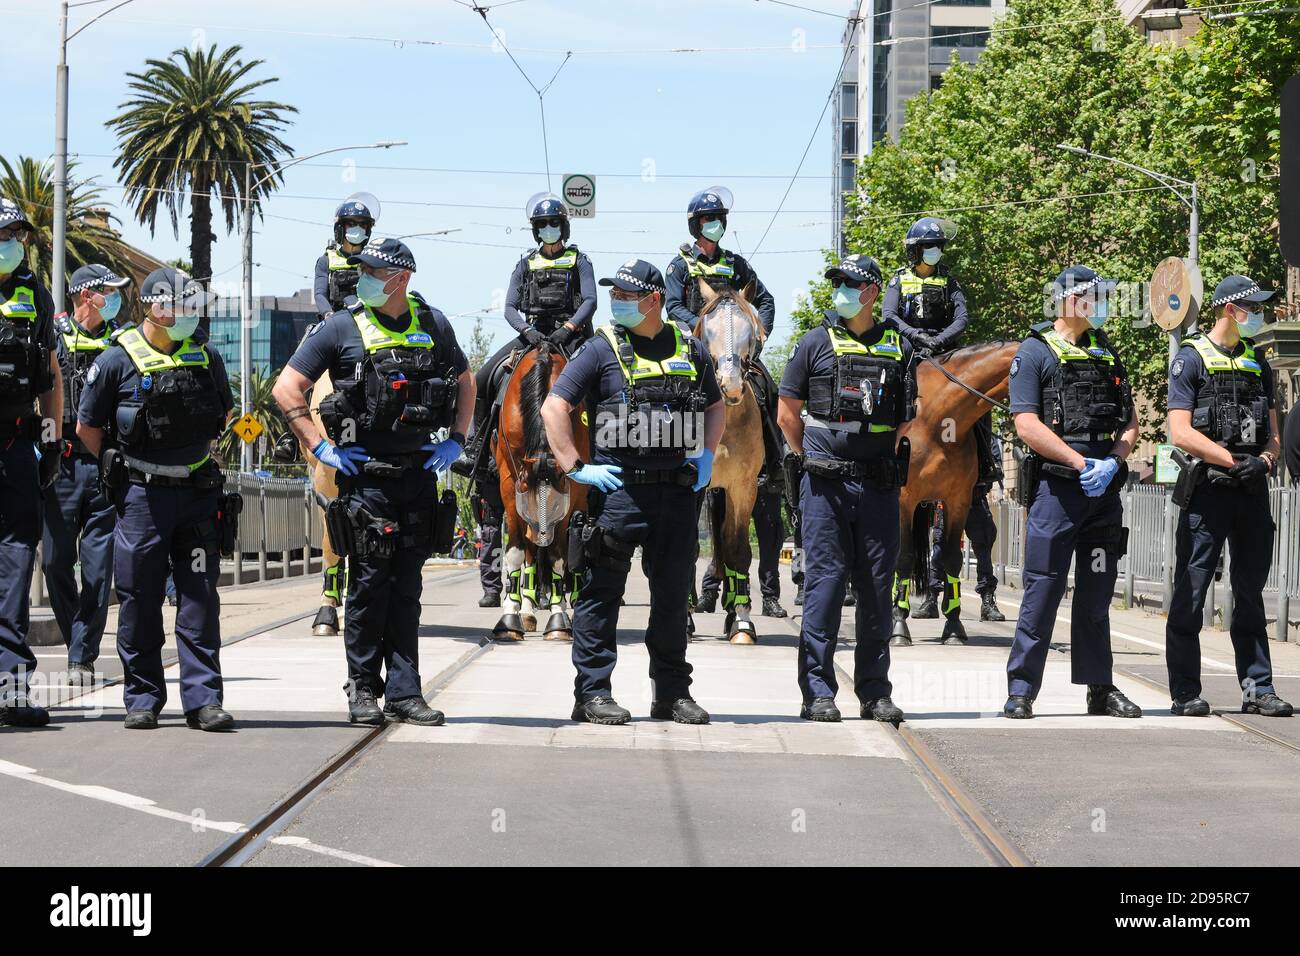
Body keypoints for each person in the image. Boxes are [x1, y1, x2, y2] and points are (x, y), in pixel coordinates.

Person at [273, 239, 474, 727]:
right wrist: (320, 447)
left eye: (371, 270)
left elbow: (466, 379)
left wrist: (458, 440)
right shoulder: (341, 326)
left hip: (419, 477)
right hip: (366, 480)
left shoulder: (433, 324)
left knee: (407, 590)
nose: (360, 276)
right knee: (367, 588)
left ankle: (406, 693)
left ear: (400, 279)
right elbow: (286, 387)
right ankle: (362, 687)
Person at [541, 259, 724, 726]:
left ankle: (671, 694)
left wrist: (706, 454)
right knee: (601, 596)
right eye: (615, 294)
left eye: (626, 295)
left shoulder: (690, 346)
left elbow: (717, 403)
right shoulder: (601, 348)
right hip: (619, 491)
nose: (617, 301)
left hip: (678, 493)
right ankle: (592, 694)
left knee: (671, 599)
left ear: (654, 300)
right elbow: (554, 406)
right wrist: (575, 467)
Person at [76, 267, 236, 731]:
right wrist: (116, 463)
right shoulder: (116, 360)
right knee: (140, 599)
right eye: (183, 307)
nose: (191, 316)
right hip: (143, 499)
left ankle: (203, 700)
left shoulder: (205, 356)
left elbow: (222, 412)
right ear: (155, 307)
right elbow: (88, 427)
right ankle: (143, 697)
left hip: (198, 495)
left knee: (200, 600)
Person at [1002, 266, 1140, 720]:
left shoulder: (1107, 352)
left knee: (1097, 595)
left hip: (1102, 494)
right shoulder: (1035, 352)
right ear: (1068, 300)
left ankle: (1100, 688)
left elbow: (1130, 423)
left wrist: (1113, 462)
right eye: (1094, 295)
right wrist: (1080, 464)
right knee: (1042, 590)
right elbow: (1026, 424)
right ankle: (1022, 690)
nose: (1101, 303)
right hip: (1058, 494)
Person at [776, 254, 909, 723]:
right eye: (838, 284)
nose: (841, 292)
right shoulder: (813, 342)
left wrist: (877, 451)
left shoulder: (900, 347)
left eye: (850, 284)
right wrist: (813, 455)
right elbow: (787, 411)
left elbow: (907, 416)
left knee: (877, 589)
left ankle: (874, 692)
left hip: (878, 487)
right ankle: (818, 692)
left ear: (871, 292)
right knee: (825, 587)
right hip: (825, 486)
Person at [1165, 275, 1292, 717]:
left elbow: (1273, 434)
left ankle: (1259, 687)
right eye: (1252, 307)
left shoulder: (1260, 361)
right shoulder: (1191, 358)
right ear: (1228, 310)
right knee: (1192, 591)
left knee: (1251, 592)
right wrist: (1229, 460)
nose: (1259, 314)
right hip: (1210, 491)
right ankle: (1184, 690)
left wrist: (1267, 461)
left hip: (1252, 490)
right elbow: (1179, 431)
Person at [664, 187, 782, 606]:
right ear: (696, 224)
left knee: (767, 389)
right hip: (697, 348)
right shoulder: (679, 265)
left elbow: (764, 299)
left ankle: (776, 456)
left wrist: (758, 330)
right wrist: (703, 323)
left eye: (720, 217)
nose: (717, 223)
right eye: (710, 217)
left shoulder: (737, 264)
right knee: (664, 395)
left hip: (736, 353)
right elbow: (671, 307)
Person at [883, 216, 1001, 619]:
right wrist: (915, 337)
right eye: (930, 245)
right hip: (909, 354)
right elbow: (889, 316)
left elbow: (962, 318)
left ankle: (985, 459)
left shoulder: (949, 283)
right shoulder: (899, 280)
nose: (936, 251)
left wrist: (943, 340)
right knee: (887, 394)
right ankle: (882, 453)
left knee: (973, 404)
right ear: (916, 251)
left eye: (938, 245)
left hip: (947, 355)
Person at [459, 193, 596, 482]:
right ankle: (475, 452)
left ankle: (603, 448)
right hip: (533, 334)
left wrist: (569, 328)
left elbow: (590, 302)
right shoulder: (525, 264)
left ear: (563, 227)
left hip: (568, 335)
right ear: (536, 230)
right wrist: (526, 331)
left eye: (554, 224)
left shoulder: (579, 261)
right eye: (543, 225)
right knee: (483, 377)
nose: (549, 229)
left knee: (603, 381)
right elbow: (509, 306)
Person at [44, 264, 131, 685]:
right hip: (58, 465)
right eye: (108, 292)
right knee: (55, 562)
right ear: (85, 295)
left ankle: (82, 654)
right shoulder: (54, 335)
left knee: (98, 570)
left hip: (102, 466)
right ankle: (76, 635)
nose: (115, 298)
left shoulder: (121, 342)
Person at [0, 197, 63, 728]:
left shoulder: (33, 293)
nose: (11, 244)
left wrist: (53, 440)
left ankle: (11, 688)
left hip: (17, 444)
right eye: (4, 234)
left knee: (17, 564)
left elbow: (49, 374)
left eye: (16, 236)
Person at [313, 197, 375, 320]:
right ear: (340, 228)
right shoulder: (326, 261)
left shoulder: (373, 260)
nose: (358, 228)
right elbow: (320, 294)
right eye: (351, 223)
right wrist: (328, 314)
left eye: (362, 224)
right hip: (336, 320)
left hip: (369, 321)